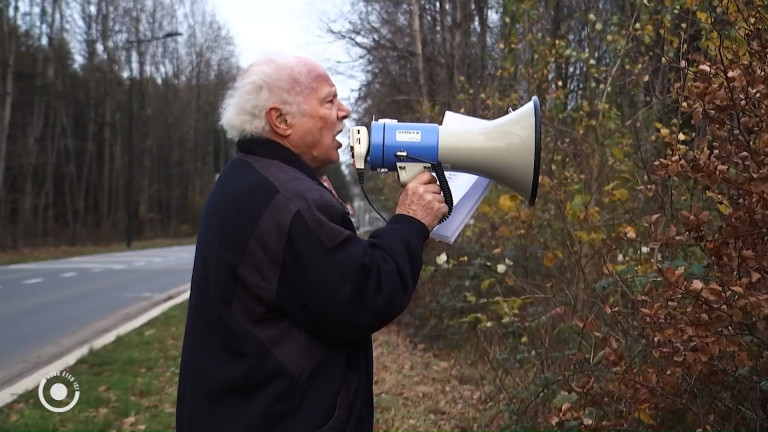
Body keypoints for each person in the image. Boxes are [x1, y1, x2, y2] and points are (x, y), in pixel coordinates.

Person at [175, 53, 449, 431]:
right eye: (329, 100)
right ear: (281, 120)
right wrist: (410, 222)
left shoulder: (248, 180)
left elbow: (326, 280)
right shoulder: (290, 202)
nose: (345, 110)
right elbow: (364, 294)